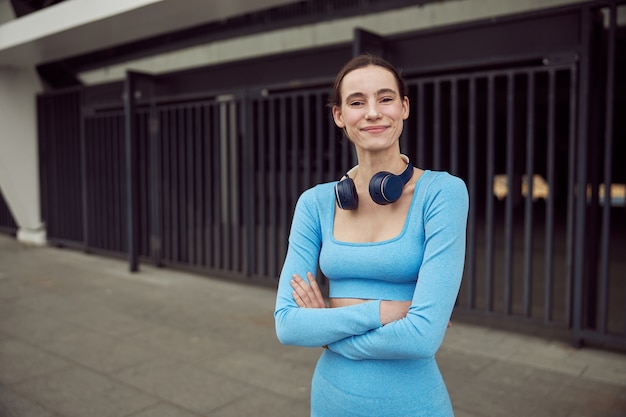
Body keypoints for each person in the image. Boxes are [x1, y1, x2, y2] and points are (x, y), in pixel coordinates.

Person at [274, 54, 469, 417]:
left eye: (385, 98)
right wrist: (384, 311)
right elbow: (288, 325)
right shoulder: (314, 203)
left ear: (404, 107)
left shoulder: (443, 193)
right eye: (357, 102)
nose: (373, 113)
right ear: (339, 116)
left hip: (412, 403)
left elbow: (422, 337)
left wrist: (328, 327)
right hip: (331, 400)